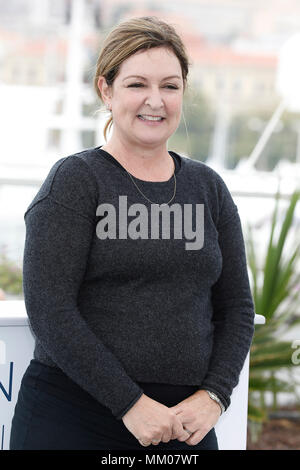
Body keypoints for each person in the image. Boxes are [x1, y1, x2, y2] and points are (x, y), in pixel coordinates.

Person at [10, 16, 255, 451]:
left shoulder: (209, 188)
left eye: (170, 86)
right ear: (106, 90)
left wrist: (215, 396)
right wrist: (130, 403)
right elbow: (50, 310)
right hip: (74, 419)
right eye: (137, 84)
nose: (155, 101)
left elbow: (235, 307)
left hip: (184, 427)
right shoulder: (75, 181)